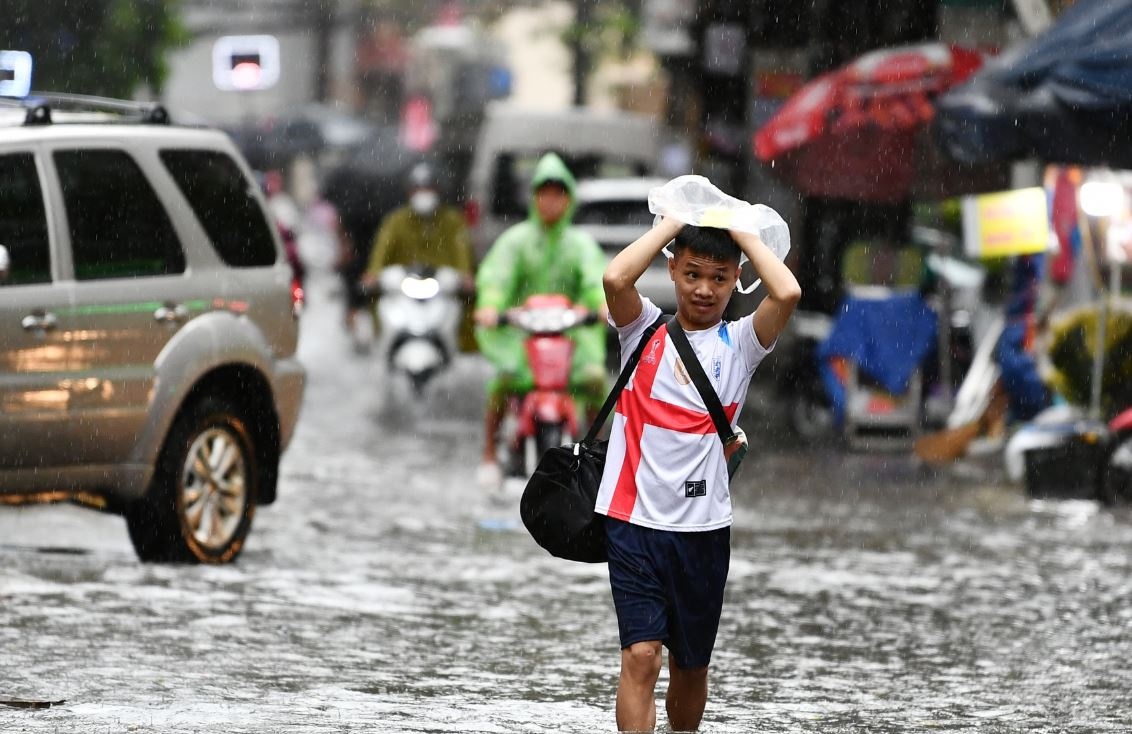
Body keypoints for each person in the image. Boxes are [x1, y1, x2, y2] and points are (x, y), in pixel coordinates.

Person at [598, 215, 800, 732]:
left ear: (736, 279)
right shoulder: (641, 329)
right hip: (631, 522)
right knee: (641, 656)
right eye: (691, 274)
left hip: (702, 531)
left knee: (691, 668)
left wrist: (744, 232)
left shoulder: (742, 344)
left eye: (719, 277)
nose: (704, 289)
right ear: (671, 271)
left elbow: (788, 291)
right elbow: (616, 279)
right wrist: (671, 223)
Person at [474, 152, 608, 486]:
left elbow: (597, 281)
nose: (551, 201)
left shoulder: (580, 245)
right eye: (544, 193)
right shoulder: (516, 241)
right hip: (523, 338)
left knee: (594, 381)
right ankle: (489, 452)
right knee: (502, 382)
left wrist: (601, 305)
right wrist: (492, 307)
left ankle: (601, 453)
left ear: (569, 199)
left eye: (558, 194)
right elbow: (496, 279)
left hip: (570, 339)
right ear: (534, 197)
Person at [361, 161, 476, 308]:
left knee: (464, 317)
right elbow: (382, 249)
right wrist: (373, 274)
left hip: (443, 293)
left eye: (429, 188)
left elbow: (462, 250)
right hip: (402, 291)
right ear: (409, 192)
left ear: (438, 190)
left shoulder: (453, 221)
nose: (423, 193)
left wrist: (465, 275)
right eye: (418, 189)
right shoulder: (396, 220)